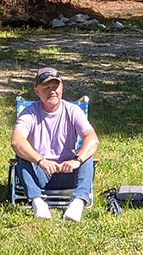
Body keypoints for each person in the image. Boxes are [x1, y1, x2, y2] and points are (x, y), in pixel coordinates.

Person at [11, 67, 99, 221]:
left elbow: (92, 139)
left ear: (62, 88)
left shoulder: (73, 111)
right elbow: (17, 142)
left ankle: (78, 203)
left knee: (87, 155)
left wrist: (76, 160)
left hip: (68, 171)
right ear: (37, 91)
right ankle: (38, 202)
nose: (52, 91)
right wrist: (41, 161)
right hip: (40, 173)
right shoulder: (29, 113)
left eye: (55, 86)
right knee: (22, 155)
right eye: (46, 87)